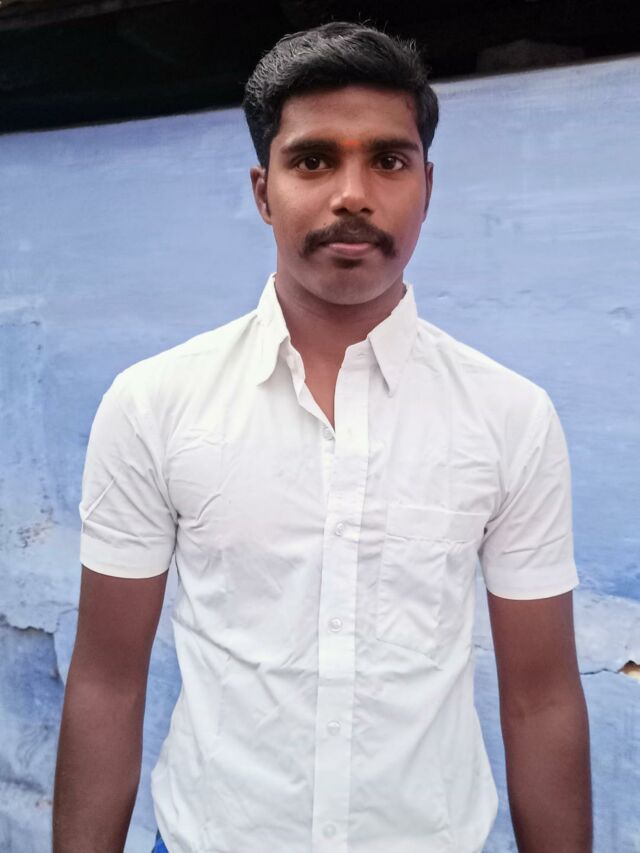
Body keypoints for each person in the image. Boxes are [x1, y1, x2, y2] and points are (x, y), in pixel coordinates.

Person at [52, 19, 592, 853]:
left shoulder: (509, 415)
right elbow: (105, 683)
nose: (353, 194)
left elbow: (542, 698)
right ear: (263, 190)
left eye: (388, 160)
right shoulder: (154, 404)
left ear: (427, 185)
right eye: (312, 161)